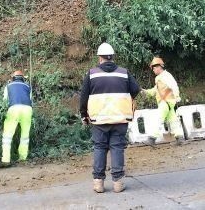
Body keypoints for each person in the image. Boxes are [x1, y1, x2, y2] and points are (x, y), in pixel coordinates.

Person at [79, 42, 141, 194]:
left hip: (99, 120)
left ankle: (98, 183)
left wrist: (83, 115)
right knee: (117, 148)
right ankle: (118, 183)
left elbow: (83, 97)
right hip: (120, 118)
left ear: (100, 58)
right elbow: (136, 89)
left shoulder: (92, 74)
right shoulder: (123, 72)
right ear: (112, 57)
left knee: (100, 147)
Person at [142, 57, 185, 146]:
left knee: (158, 119)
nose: (153, 70)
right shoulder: (161, 77)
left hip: (165, 102)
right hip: (169, 102)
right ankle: (180, 138)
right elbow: (155, 90)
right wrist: (146, 92)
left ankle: (151, 139)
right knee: (173, 120)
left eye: (154, 68)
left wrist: (177, 96)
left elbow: (174, 86)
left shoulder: (165, 76)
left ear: (159, 67)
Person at [0, 69, 33, 168]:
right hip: (27, 110)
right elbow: (31, 101)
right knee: (25, 136)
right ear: (23, 78)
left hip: (14, 109)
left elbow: (5, 101)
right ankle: (23, 158)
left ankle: (5, 160)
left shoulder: (8, 86)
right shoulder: (28, 86)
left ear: (13, 78)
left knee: (7, 136)